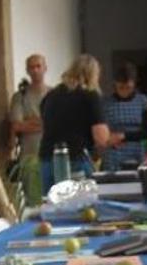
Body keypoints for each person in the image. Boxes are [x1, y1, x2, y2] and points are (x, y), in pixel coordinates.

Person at [38, 54, 109, 191]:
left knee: (52, 206)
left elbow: (46, 125)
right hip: (75, 158)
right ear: (93, 74)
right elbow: (101, 137)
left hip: (46, 158)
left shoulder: (50, 96)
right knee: (80, 207)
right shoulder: (90, 95)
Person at [9, 54, 51, 205]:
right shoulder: (20, 97)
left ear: (45, 68)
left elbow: (57, 123)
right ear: (27, 70)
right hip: (29, 157)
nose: (35, 70)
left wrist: (31, 122)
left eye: (38, 66)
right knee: (34, 203)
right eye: (32, 67)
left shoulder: (53, 95)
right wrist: (43, 122)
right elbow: (17, 125)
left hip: (52, 157)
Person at [102, 62, 147, 171]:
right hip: (114, 154)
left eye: (128, 87)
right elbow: (102, 132)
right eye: (121, 87)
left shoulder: (142, 101)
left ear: (134, 85)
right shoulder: (106, 103)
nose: (125, 91)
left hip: (138, 152)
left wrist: (124, 136)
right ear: (115, 84)